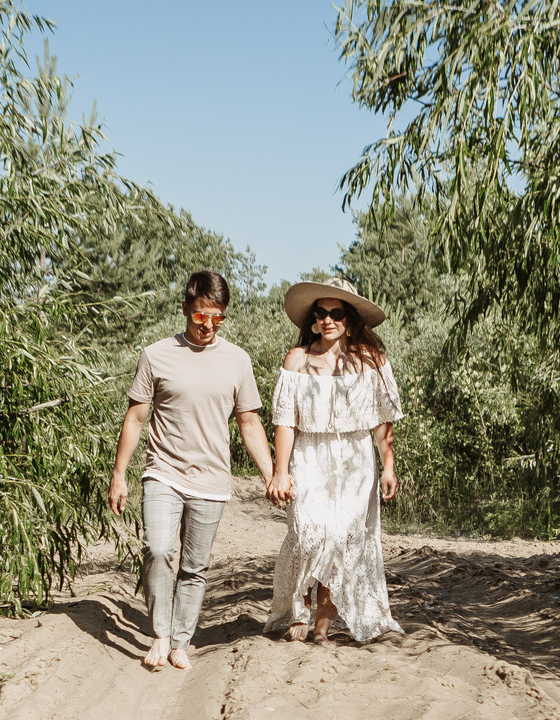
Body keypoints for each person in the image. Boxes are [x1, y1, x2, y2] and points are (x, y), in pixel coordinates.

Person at [109, 269, 274, 671]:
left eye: (218, 318)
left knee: (194, 568)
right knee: (158, 548)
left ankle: (181, 641)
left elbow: (249, 423)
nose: (209, 326)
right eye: (201, 316)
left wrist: (271, 474)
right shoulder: (156, 355)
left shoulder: (238, 360)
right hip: (163, 471)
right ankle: (160, 635)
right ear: (185, 309)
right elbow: (135, 419)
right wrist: (119, 474)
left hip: (212, 480)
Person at [264, 278, 405, 645]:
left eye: (336, 313)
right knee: (309, 536)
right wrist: (280, 472)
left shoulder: (371, 362)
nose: (328, 320)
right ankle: (298, 608)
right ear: (313, 319)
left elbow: (381, 421)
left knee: (343, 540)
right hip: (308, 458)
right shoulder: (297, 360)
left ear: (349, 319)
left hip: (355, 461)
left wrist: (388, 465)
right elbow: (285, 420)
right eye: (321, 313)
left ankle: (322, 628)